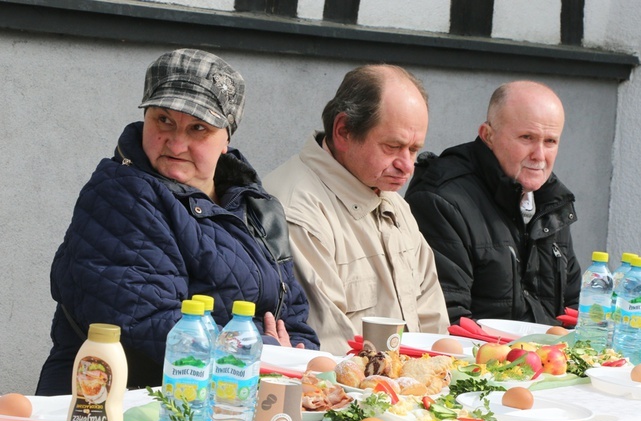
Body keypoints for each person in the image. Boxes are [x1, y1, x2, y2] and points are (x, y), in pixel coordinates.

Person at [37, 48, 319, 396]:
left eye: (198, 128)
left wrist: (295, 357)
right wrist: (261, 351)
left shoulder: (257, 207)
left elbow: (290, 318)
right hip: (120, 403)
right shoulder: (121, 195)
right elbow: (147, 319)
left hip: (228, 401)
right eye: (163, 120)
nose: (176, 141)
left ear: (226, 137)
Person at [263, 64, 449, 354]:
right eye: (392, 146)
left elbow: (433, 328)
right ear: (343, 131)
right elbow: (329, 351)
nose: (407, 166)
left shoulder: (394, 201)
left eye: (413, 149)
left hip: (403, 390)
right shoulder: (294, 210)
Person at [405, 81, 581, 325]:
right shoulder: (442, 200)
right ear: (487, 135)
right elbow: (448, 321)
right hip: (475, 359)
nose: (540, 155)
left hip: (549, 358)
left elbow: (574, 310)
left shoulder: (551, 201)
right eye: (527, 137)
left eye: (550, 141)